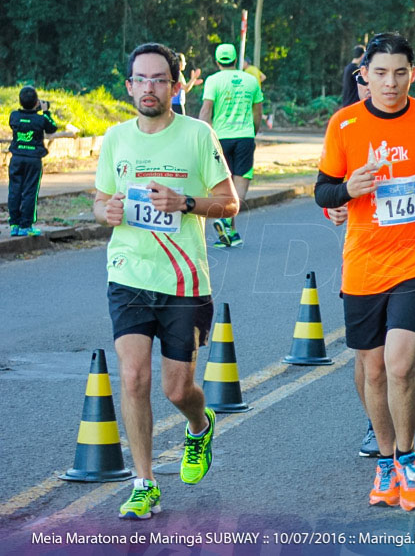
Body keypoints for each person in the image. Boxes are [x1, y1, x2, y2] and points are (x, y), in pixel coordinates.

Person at [314, 32, 415, 511]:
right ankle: (384, 461)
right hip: (364, 264)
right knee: (371, 370)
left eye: (399, 72)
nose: (390, 82)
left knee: (400, 364)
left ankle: (407, 458)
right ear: (365, 75)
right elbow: (323, 191)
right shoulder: (345, 125)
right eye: (380, 73)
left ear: (412, 74)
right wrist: (346, 192)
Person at [92, 42, 240, 520]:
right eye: (141, 79)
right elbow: (99, 202)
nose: (149, 88)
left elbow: (230, 202)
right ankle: (143, 482)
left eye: (160, 79)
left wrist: (186, 204)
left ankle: (199, 426)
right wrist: (106, 211)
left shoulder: (198, 136)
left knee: (178, 390)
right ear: (130, 85)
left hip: (185, 281)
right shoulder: (115, 138)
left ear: (176, 86)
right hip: (129, 273)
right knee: (133, 377)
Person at [199, 43, 263, 248]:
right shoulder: (251, 80)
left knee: (223, 186)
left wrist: (204, 135)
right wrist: (252, 131)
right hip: (244, 136)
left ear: (217, 61)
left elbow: (206, 110)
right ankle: (227, 223)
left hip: (220, 138)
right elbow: (258, 112)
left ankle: (230, 232)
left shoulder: (213, 81)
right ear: (236, 60)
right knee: (240, 183)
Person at [7, 86, 59, 237]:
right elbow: (52, 128)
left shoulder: (14, 116)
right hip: (33, 160)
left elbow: (14, 124)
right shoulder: (41, 119)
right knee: (30, 191)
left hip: (16, 158)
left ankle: (14, 224)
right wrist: (45, 111)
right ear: (36, 101)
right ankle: (26, 225)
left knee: (14, 190)